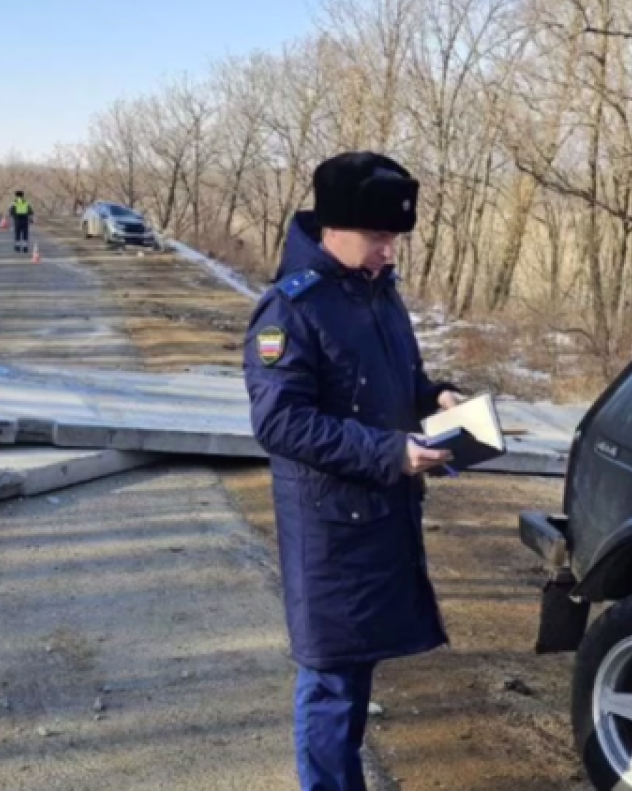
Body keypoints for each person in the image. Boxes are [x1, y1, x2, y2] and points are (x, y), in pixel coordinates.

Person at [243, 151, 464, 791]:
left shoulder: (375, 293)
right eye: (379, 238)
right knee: (332, 680)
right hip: (331, 529)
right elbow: (280, 423)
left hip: (384, 517)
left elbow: (392, 383)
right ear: (334, 227)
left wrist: (436, 397)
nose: (390, 251)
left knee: (357, 670)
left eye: (394, 238)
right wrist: (389, 452)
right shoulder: (291, 310)